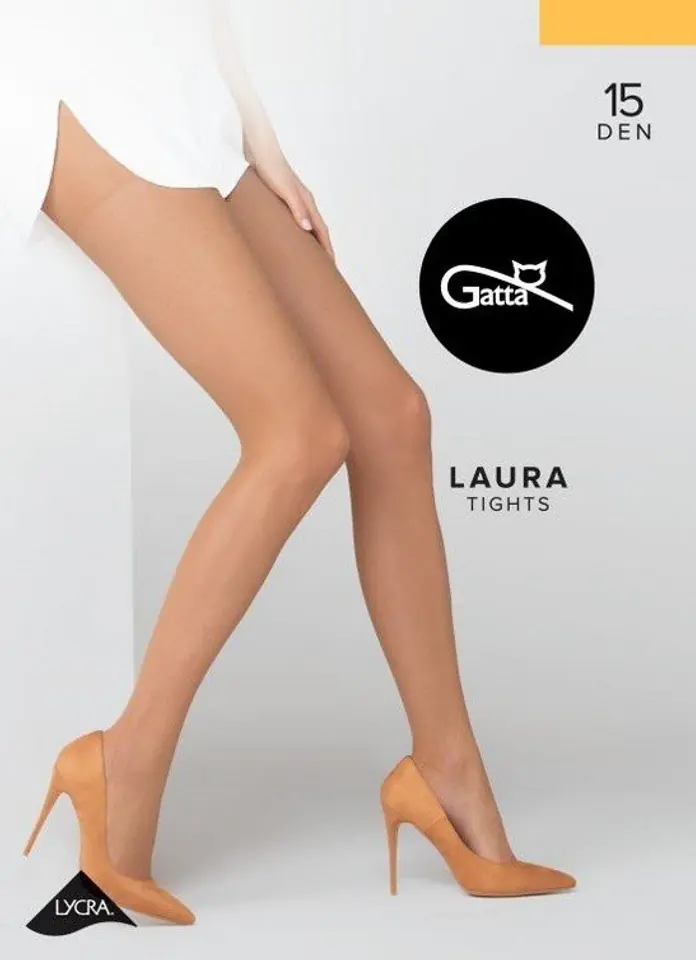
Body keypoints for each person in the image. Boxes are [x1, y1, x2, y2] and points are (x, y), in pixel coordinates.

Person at [13, 0, 575, 923]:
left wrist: (259, 137)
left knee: (392, 416)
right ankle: (124, 759)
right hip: (70, 82)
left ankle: (447, 772)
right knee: (298, 433)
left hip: (177, 83)